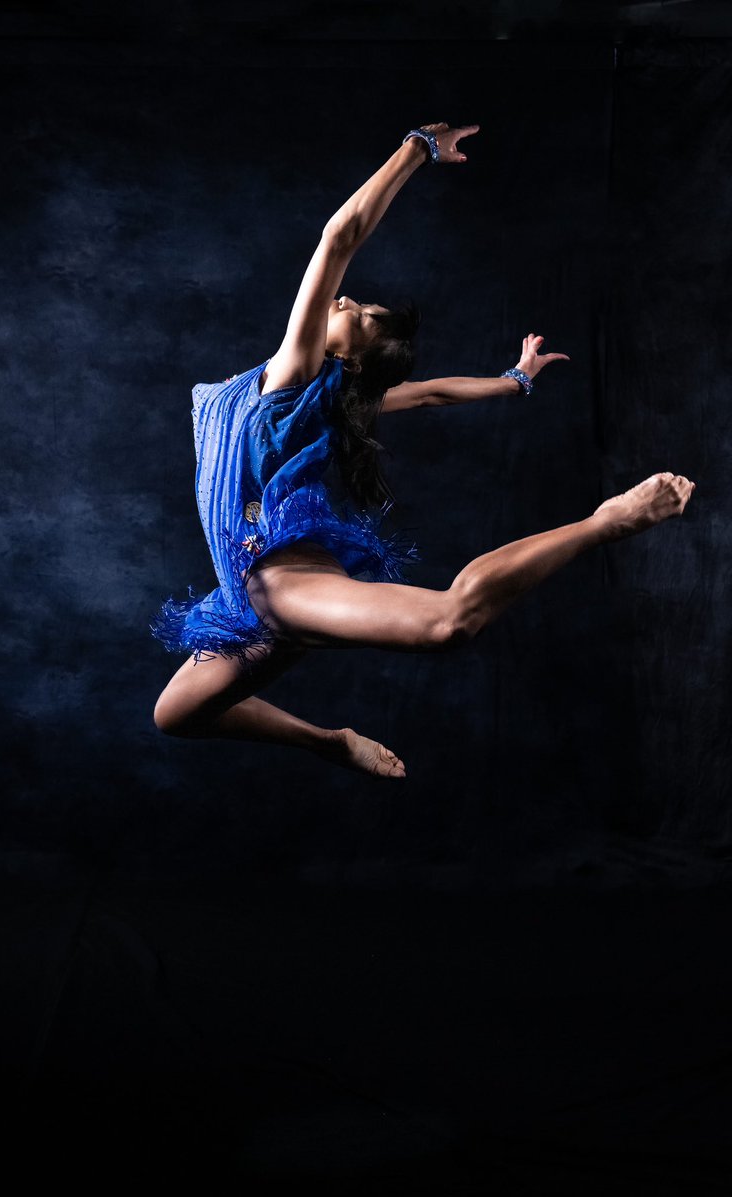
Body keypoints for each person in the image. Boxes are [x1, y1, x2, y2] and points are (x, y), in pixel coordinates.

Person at [151, 123, 695, 779]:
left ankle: (606, 521)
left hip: (281, 586)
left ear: (347, 353)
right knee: (176, 716)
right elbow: (433, 394)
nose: (346, 299)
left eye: (359, 312)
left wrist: (416, 149)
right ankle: (331, 741)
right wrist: (513, 380)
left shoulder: (295, 374)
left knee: (451, 623)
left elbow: (339, 238)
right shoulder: (320, 398)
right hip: (245, 596)